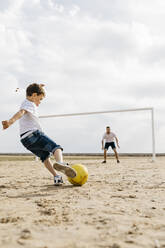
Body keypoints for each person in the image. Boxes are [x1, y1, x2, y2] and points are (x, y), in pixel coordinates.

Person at [2, 83, 76, 186]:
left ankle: (57, 177)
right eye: (40, 99)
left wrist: (39, 86)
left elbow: (31, 91)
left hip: (25, 141)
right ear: (34, 95)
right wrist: (10, 121)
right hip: (34, 135)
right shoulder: (28, 104)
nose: (40, 102)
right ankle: (60, 163)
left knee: (45, 157)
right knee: (56, 148)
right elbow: (21, 112)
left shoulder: (27, 101)